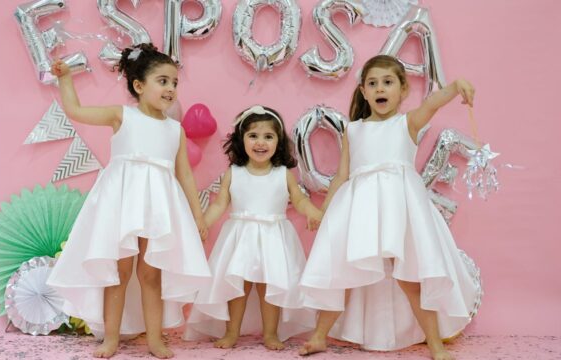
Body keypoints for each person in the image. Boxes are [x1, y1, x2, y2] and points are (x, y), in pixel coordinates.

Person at [299, 55, 477, 360]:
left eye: (388, 82)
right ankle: (319, 337)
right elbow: (342, 175)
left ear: (403, 90)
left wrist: (455, 87)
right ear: (364, 91)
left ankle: (435, 344)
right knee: (345, 273)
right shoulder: (352, 130)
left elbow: (432, 103)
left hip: (399, 211)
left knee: (410, 278)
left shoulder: (406, 123)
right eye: (372, 83)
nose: (380, 88)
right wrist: (326, 211)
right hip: (361, 211)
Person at [46, 43, 211, 359]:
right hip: (122, 201)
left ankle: (155, 338)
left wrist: (198, 215)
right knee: (118, 272)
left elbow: (186, 176)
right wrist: (65, 79)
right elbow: (76, 111)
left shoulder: (175, 130)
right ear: (139, 86)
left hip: (158, 205)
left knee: (151, 274)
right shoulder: (122, 116)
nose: (170, 88)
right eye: (162, 81)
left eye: (174, 82)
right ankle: (111, 338)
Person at [184, 105, 322, 350]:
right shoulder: (234, 172)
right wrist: (203, 221)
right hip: (241, 237)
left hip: (273, 237)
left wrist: (312, 211)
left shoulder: (282, 173)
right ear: (241, 139)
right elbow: (220, 204)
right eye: (253, 136)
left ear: (278, 142)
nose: (261, 142)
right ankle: (231, 332)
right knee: (239, 287)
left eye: (268, 136)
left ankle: (270, 333)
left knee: (271, 286)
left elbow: (299, 200)